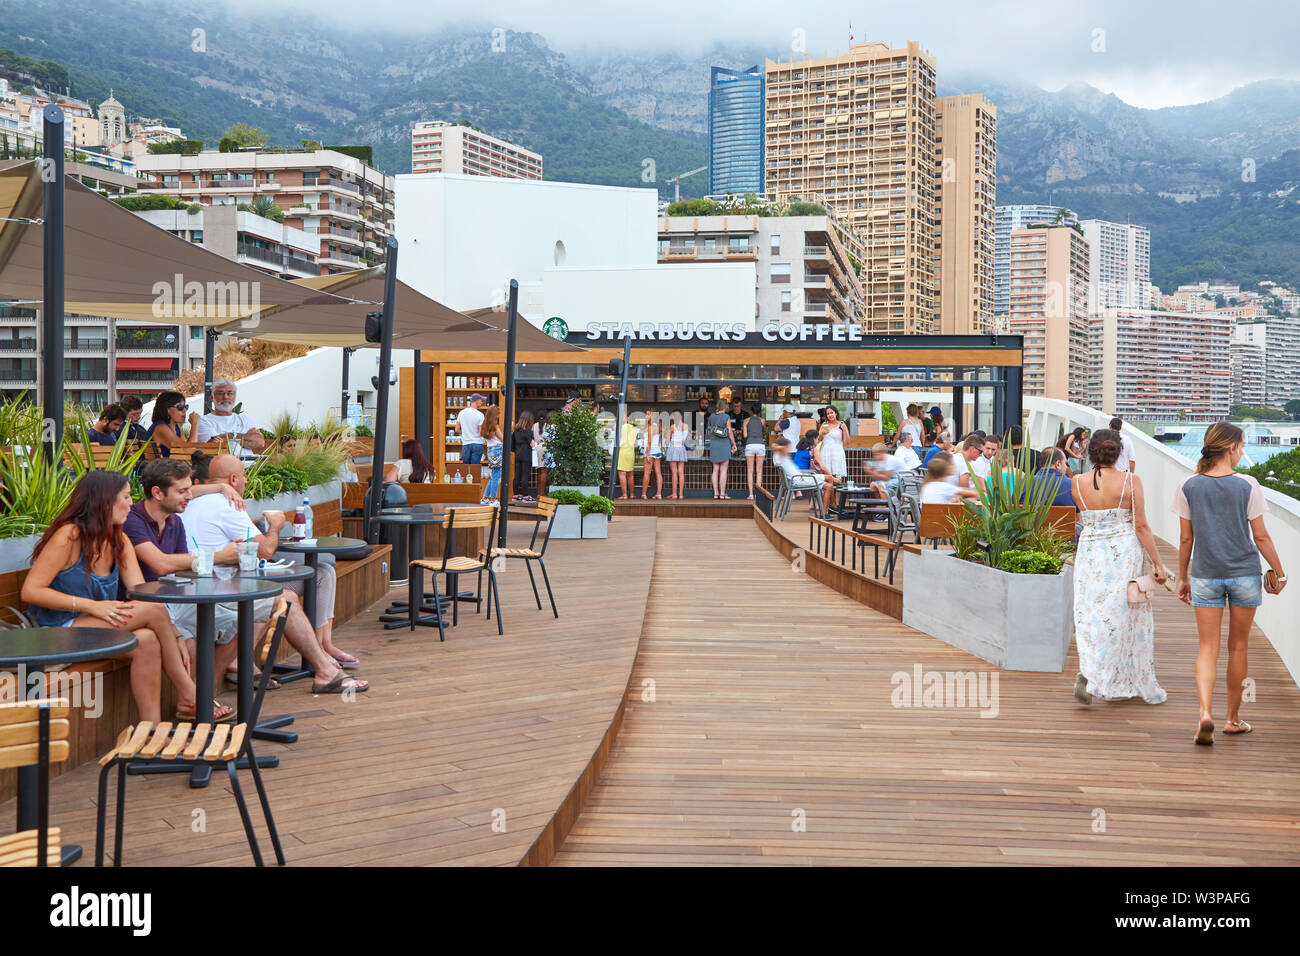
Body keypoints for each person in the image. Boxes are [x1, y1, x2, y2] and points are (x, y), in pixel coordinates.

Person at [20, 470, 203, 723]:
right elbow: (31, 590)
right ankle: (190, 694)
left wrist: (174, 633)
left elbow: (141, 592)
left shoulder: (119, 538)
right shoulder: (70, 536)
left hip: (92, 629)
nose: (131, 503)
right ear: (105, 501)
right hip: (55, 629)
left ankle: (151, 730)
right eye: (126, 497)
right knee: (154, 613)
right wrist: (92, 606)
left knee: (147, 639)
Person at [183, 455, 368, 691]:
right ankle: (324, 669)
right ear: (233, 479)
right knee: (286, 598)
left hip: (197, 585)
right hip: (218, 590)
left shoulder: (190, 500)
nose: (247, 482)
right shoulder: (229, 504)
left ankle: (321, 653)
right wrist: (276, 526)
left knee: (315, 575)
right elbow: (265, 550)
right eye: (244, 477)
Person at [1173, 422, 1287, 744]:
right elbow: (1261, 537)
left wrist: (1182, 577)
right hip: (1244, 575)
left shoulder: (1188, 486)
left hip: (1205, 575)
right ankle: (1233, 719)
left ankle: (1204, 714)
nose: (1242, 453)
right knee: (1237, 647)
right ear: (1231, 449)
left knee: (1207, 648)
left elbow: (1185, 538)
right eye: (1242, 447)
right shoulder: (1247, 485)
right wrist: (1280, 573)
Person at [121, 459, 238, 717]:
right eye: (183, 491)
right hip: (144, 606)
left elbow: (182, 568)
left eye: (190, 489)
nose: (189, 496)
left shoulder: (174, 521)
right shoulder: (132, 521)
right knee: (189, 641)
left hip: (172, 599)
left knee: (243, 618)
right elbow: (161, 565)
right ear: (157, 493)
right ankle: (192, 701)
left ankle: (203, 694)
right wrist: (217, 556)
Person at [1070, 429, 1169, 707]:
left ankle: (1091, 672)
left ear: (1090, 452)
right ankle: (1109, 677)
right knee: (1122, 614)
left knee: (1090, 614)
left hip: (1090, 553)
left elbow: (1084, 517)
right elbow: (1141, 526)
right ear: (1119, 453)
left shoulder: (1076, 482)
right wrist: (1158, 564)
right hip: (1122, 553)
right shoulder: (1130, 481)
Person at [194, 379, 266, 453]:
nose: (225, 397)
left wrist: (231, 435)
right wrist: (246, 438)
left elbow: (260, 442)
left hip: (251, 464)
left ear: (234, 397)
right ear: (212, 397)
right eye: (220, 393)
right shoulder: (204, 421)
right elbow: (214, 445)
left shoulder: (244, 419)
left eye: (230, 393)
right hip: (220, 464)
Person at [817, 407, 850, 513]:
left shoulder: (841, 425)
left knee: (838, 479)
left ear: (836, 413)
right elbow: (818, 440)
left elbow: (847, 442)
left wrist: (845, 429)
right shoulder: (824, 425)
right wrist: (821, 433)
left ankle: (837, 505)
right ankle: (830, 504)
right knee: (828, 478)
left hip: (838, 453)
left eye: (831, 413)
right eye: (828, 414)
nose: (830, 415)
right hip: (826, 453)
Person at [147, 390, 197, 456]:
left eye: (186, 407)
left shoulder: (176, 426)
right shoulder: (161, 428)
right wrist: (195, 424)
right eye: (180, 407)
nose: (184, 410)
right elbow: (189, 452)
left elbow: (187, 447)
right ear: (167, 409)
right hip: (161, 466)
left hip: (168, 465)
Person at [707, 401, 737, 499]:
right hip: (724, 444)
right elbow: (729, 432)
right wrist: (734, 443)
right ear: (726, 407)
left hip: (714, 444)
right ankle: (722, 494)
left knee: (715, 469)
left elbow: (711, 430)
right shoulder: (726, 417)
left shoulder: (711, 416)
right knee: (723, 470)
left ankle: (716, 493)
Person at [479, 405, 505, 505]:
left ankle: (485, 497)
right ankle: (493, 499)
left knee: (494, 475)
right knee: (496, 476)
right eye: (498, 414)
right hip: (497, 449)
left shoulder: (484, 426)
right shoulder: (495, 427)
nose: (498, 416)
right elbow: (503, 439)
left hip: (490, 450)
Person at [742, 404, 766, 500]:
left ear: (751, 412)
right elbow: (764, 432)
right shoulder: (763, 420)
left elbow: (744, 435)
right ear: (759, 412)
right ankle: (758, 494)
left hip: (750, 445)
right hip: (760, 445)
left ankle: (751, 494)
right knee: (759, 471)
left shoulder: (746, 421)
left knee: (750, 471)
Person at [455, 393, 487, 466]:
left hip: (466, 444)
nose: (482, 402)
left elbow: (457, 430)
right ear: (476, 401)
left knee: (465, 468)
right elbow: (481, 431)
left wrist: (466, 433)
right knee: (475, 468)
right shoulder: (480, 415)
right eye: (481, 400)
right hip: (477, 443)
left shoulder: (462, 413)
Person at [511, 410, 535, 502]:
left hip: (518, 454)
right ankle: (525, 495)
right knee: (525, 475)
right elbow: (532, 443)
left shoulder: (516, 430)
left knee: (517, 474)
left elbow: (512, 444)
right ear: (529, 420)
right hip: (526, 454)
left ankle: (516, 494)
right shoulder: (528, 430)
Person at [664, 414, 689, 499]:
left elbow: (667, 440)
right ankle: (681, 494)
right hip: (681, 448)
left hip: (673, 448)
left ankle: (674, 494)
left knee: (674, 473)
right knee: (681, 472)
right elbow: (685, 440)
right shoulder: (686, 426)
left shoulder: (672, 427)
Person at [641, 410, 664, 499]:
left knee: (647, 473)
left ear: (652, 416)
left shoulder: (651, 427)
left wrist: (647, 454)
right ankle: (659, 494)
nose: (646, 416)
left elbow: (649, 442)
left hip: (650, 451)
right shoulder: (657, 426)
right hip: (657, 450)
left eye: (648, 414)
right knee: (658, 473)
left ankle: (644, 494)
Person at [615, 411, 638, 500]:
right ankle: (632, 494)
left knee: (622, 474)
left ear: (628, 418)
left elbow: (618, 441)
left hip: (623, 452)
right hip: (631, 452)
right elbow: (636, 443)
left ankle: (624, 495)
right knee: (630, 474)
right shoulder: (635, 429)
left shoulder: (622, 427)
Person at [532, 411, 553, 500]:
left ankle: (538, 493)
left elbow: (532, 437)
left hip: (536, 448)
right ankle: (542, 493)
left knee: (539, 472)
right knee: (544, 471)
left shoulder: (534, 425)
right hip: (545, 447)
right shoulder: (547, 425)